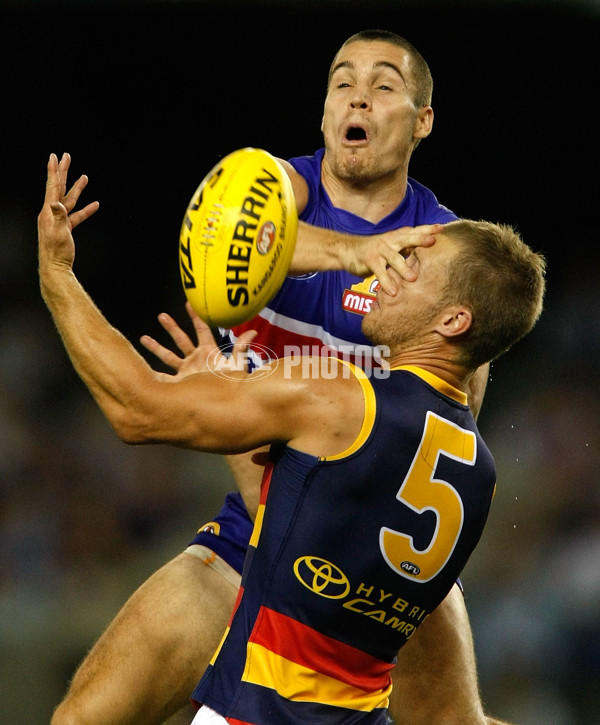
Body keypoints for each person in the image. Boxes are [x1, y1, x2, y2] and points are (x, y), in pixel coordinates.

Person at [49, 30, 508, 725]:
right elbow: (226, 237)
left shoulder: (444, 258)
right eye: (341, 80)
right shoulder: (273, 188)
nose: (357, 93)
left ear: (422, 121)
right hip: (252, 533)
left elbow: (456, 422)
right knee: (84, 716)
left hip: (365, 568)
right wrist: (358, 252)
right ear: (325, 111)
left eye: (384, 84)